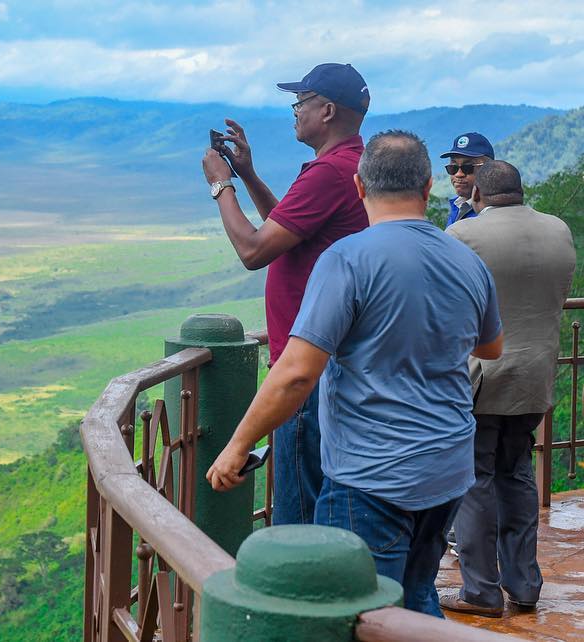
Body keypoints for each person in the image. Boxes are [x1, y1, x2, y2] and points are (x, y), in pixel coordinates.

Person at [206, 130, 504, 616]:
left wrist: (237, 446)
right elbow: (490, 346)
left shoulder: (348, 259)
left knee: (358, 612)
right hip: (448, 468)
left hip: (372, 475)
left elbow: (297, 374)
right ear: (428, 188)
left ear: (360, 188)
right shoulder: (466, 260)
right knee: (417, 592)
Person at [201, 62, 370, 525]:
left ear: (328, 110)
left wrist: (221, 184)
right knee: (322, 496)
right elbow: (290, 229)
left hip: (307, 366)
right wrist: (250, 174)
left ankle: (297, 595)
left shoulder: (329, 173)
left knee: (297, 510)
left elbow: (254, 251)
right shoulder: (348, 166)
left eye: (301, 103)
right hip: (331, 359)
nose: (294, 112)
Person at [439, 161, 576, 617]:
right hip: (536, 376)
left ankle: (480, 590)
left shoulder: (464, 236)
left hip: (481, 376)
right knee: (516, 473)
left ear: (477, 193)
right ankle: (525, 585)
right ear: (521, 190)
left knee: (474, 479)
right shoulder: (557, 230)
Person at [440, 132, 495, 227]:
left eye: (468, 167)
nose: (459, 174)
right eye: (453, 167)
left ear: (488, 169)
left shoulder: (493, 212)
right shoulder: (457, 206)